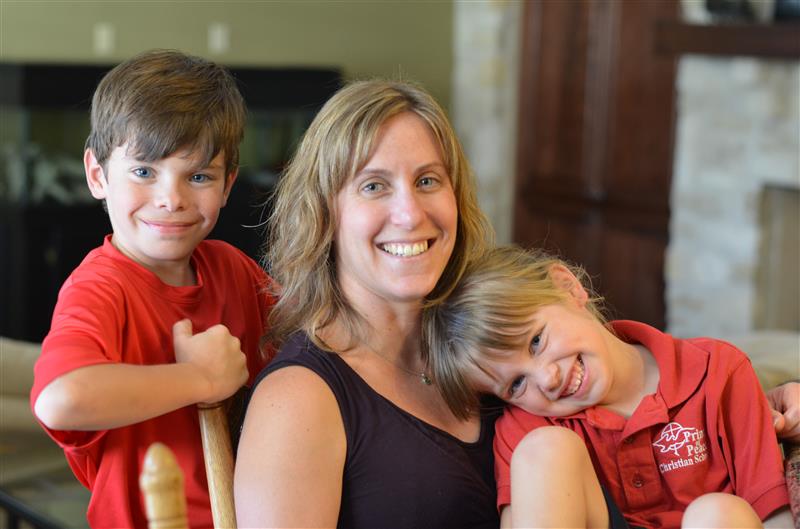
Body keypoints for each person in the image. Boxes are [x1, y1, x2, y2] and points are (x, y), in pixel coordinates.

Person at [234, 79, 502, 528]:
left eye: (428, 180)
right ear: (324, 214)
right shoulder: (298, 401)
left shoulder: (492, 345)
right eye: (374, 186)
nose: (410, 214)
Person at [30, 49, 275, 528]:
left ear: (227, 185)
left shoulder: (232, 269)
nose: (171, 199)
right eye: (144, 171)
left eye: (199, 176)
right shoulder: (101, 288)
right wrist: (201, 379)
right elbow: (60, 399)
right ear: (98, 175)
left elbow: (313, 333)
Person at [426, 244, 794, 528]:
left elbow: (773, 514)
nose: (547, 379)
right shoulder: (527, 428)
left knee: (715, 512)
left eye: (536, 340)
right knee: (544, 448)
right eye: (516, 383)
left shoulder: (718, 371)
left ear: (568, 288)